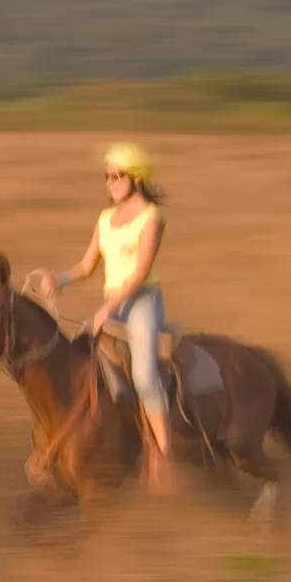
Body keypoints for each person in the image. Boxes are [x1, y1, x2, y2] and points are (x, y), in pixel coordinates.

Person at [38, 142, 176, 495]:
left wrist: (107, 308)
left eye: (116, 176)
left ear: (137, 177)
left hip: (142, 301)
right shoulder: (104, 219)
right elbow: (87, 265)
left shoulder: (151, 218)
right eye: (106, 177)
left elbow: (141, 273)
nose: (110, 183)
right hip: (112, 303)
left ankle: (164, 456)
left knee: (144, 374)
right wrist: (60, 279)